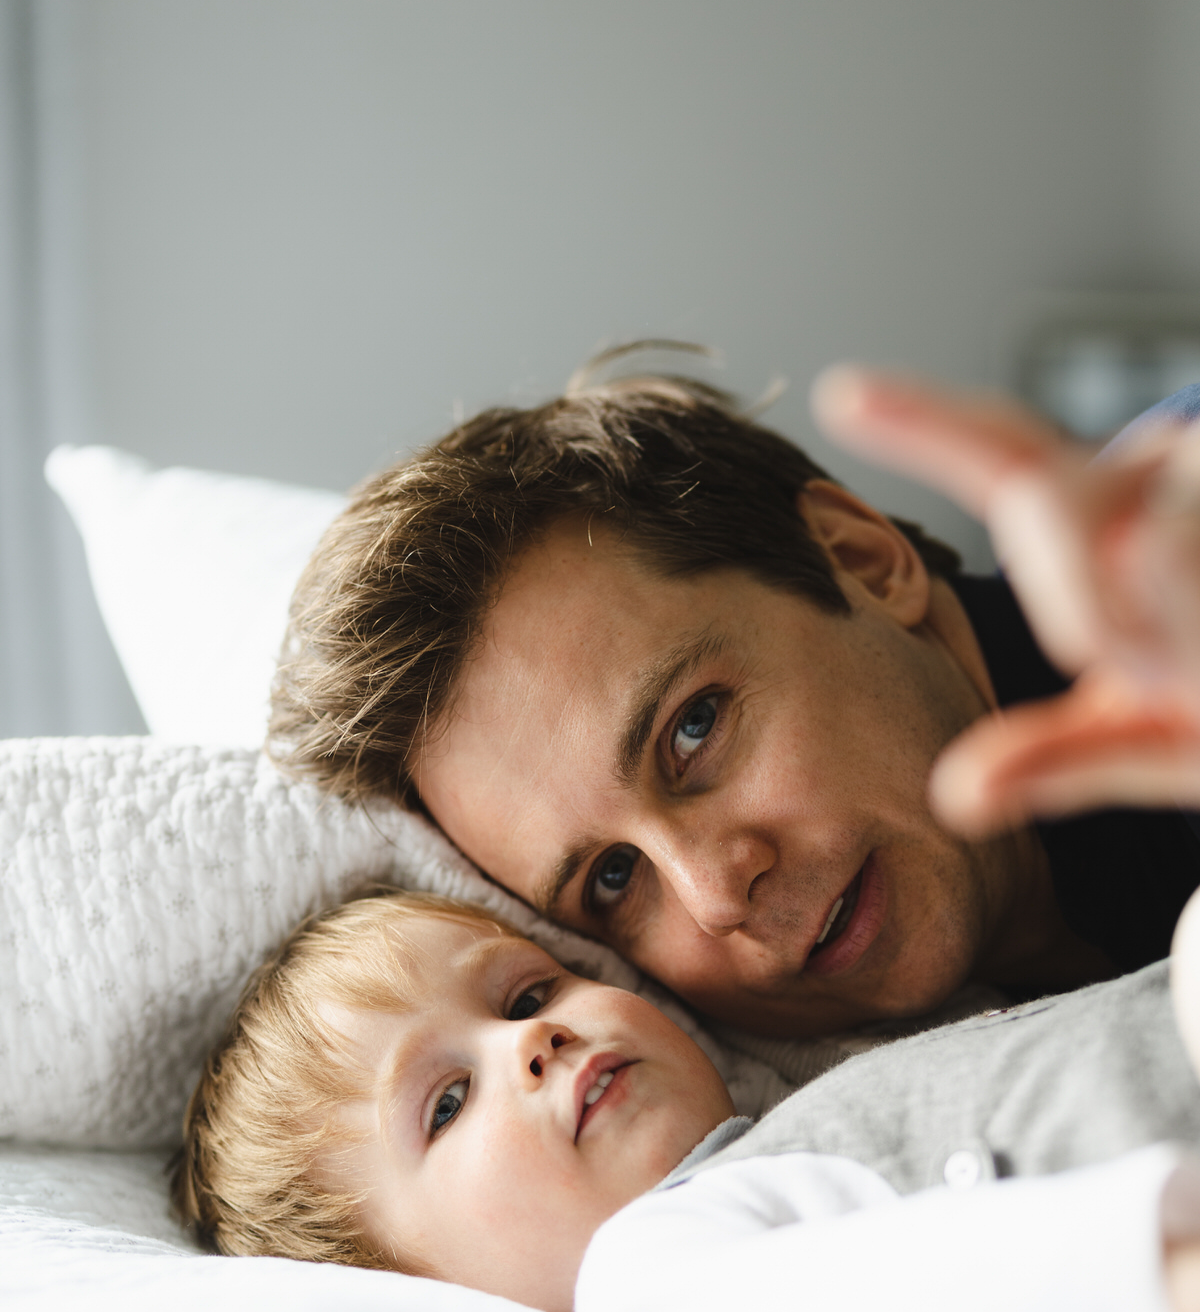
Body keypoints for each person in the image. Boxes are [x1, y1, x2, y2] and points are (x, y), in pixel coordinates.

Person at [268, 359, 1200, 1039]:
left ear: (865, 562)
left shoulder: (1168, 563)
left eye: (694, 729)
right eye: (614, 880)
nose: (717, 896)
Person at [172, 887, 1200, 1312]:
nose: (532, 1039)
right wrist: (1154, 1270)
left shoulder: (817, 1102)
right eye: (446, 1103)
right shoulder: (650, 1269)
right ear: (423, 1294)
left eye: (528, 991)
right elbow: (875, 1305)